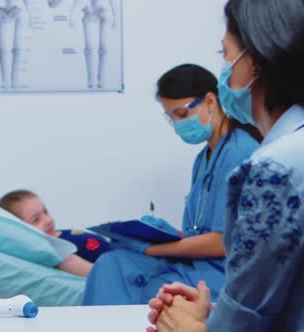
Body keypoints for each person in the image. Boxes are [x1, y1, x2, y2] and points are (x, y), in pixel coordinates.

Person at [148, 0, 304, 331]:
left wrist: (189, 326)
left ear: (254, 61)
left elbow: (243, 321)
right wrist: (214, 314)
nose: (223, 70)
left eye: (225, 55)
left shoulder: (273, 169)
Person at [82, 64, 262, 305]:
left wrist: (152, 249)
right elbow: (203, 228)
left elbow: (225, 242)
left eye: (181, 114)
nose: (178, 124)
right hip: (198, 265)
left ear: (210, 101)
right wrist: (161, 235)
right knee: (111, 263)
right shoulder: (204, 158)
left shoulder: (238, 153)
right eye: (171, 118)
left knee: (137, 284)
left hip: (223, 275)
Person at [0, 189, 109, 276]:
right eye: (36, 220)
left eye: (45, 211)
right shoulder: (57, 251)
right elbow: (98, 275)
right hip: (117, 268)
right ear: (22, 231)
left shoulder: (56, 234)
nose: (48, 220)